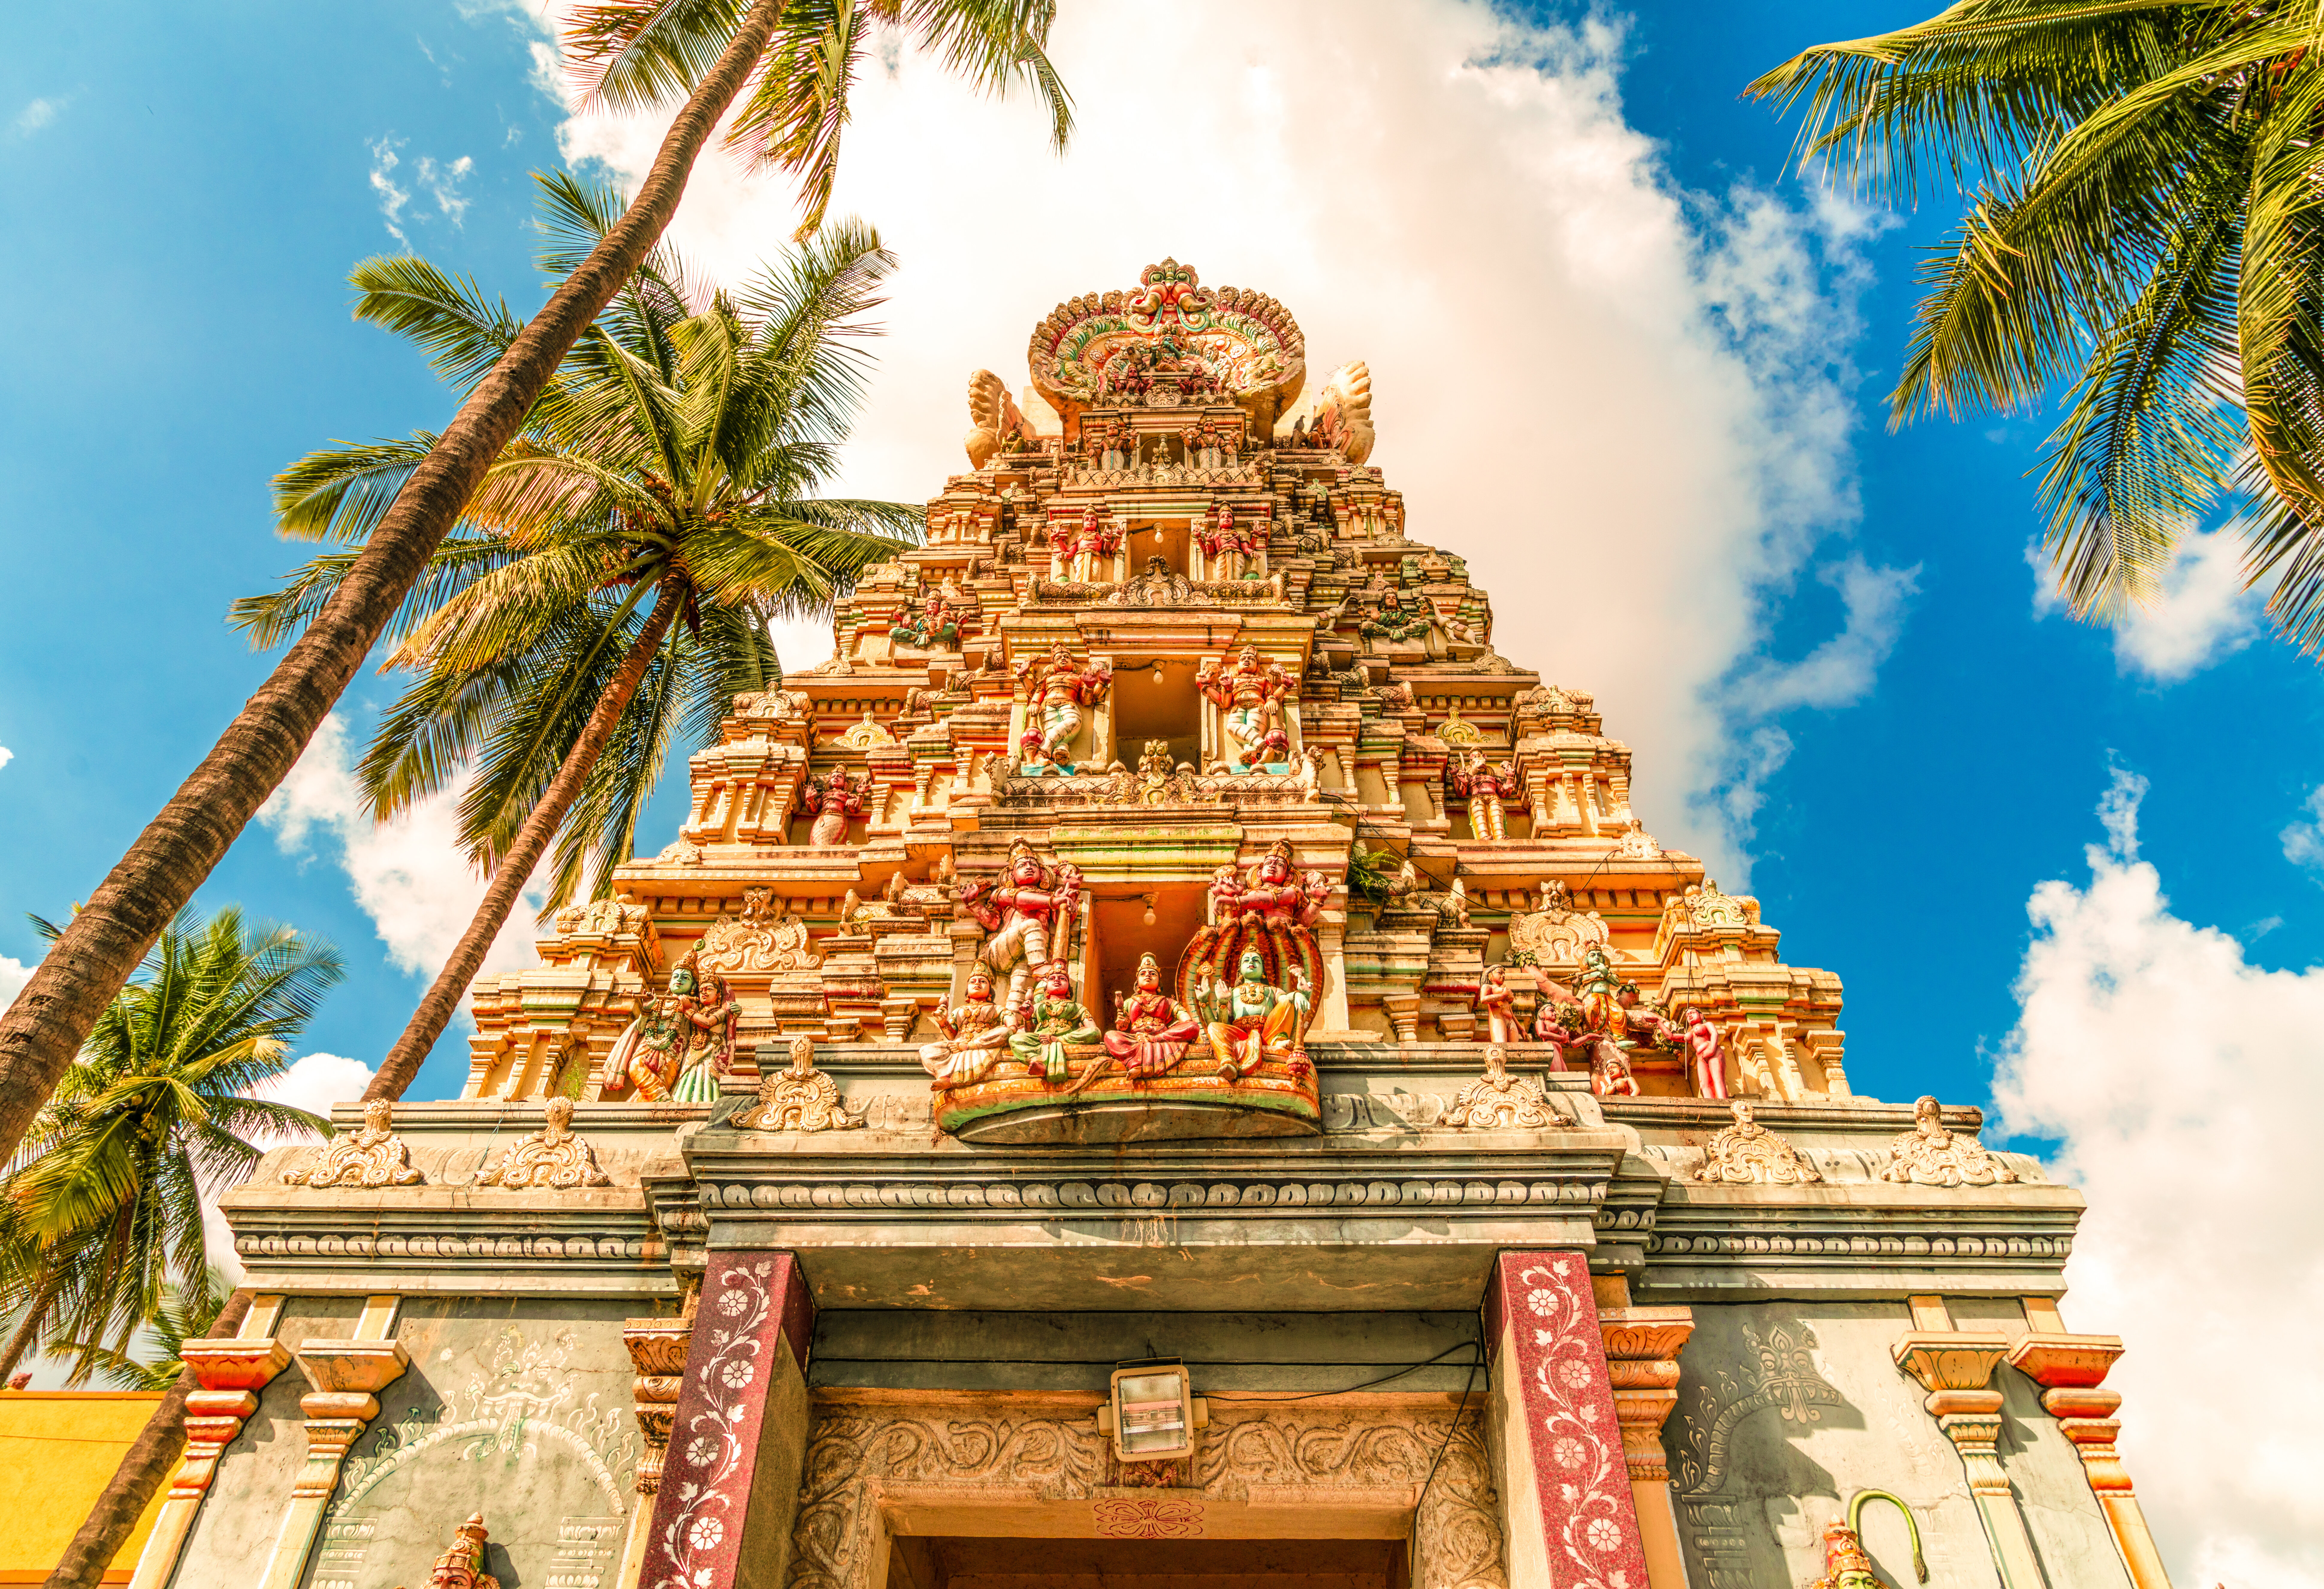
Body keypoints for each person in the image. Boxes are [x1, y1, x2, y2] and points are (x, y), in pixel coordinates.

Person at [1195, 948, 1311, 1078]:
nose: (1252, 963)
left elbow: (1285, 1001)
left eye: (1256, 961)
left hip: (1268, 1032)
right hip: (1241, 1035)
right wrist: (1220, 1003)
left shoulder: (1272, 990)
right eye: (1247, 961)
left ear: (1263, 971)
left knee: (1288, 1002)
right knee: (1213, 1027)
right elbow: (1222, 1024)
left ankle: (1278, 1039)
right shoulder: (1232, 993)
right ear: (1240, 972)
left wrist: (1299, 995)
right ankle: (1228, 1062)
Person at [1105, 952, 1200, 1076]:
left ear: (1159, 980)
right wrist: (1123, 1025)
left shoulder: (1169, 1002)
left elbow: (1188, 1022)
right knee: (1110, 1036)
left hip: (1162, 1037)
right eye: (1143, 974)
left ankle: (1140, 1062)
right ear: (1137, 981)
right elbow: (1123, 1027)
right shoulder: (1129, 1002)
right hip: (1136, 1038)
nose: (1148, 976)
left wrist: (1156, 1038)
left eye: (1153, 974)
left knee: (1194, 1027)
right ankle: (1136, 1063)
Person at [1008, 960, 1101, 1083]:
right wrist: (1028, 1018)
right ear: (1046, 990)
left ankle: (1046, 1057)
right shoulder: (1037, 1007)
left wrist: (1058, 1039)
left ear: (1069, 988)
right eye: (1052, 979)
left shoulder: (1078, 1007)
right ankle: (1037, 1062)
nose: (1057, 980)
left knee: (1094, 1032)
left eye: (1062, 979)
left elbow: (1094, 1032)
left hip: (1065, 1038)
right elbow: (1029, 1031)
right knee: (1015, 1040)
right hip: (1039, 1039)